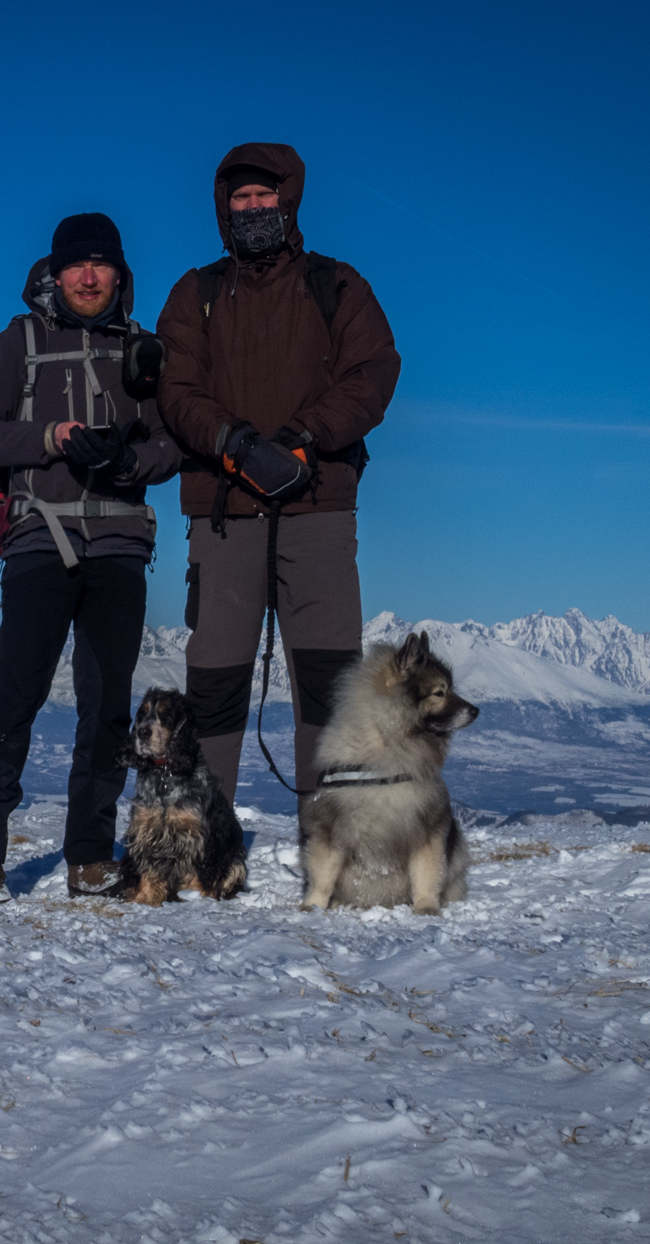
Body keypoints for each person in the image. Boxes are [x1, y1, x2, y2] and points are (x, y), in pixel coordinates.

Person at [154, 144, 401, 807]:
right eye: (241, 198)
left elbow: (373, 375)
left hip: (316, 505)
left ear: (289, 201)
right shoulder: (195, 294)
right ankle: (199, 831)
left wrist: (303, 439)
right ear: (222, 207)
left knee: (330, 677)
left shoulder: (337, 285)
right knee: (214, 676)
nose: (254, 207)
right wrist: (232, 444)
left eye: (266, 196)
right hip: (223, 510)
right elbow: (173, 389)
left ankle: (340, 836)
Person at [0, 213, 182, 899]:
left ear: (119, 275)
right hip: (38, 538)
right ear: (53, 274)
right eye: (75, 266)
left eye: (100, 265)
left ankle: (89, 855)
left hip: (118, 541)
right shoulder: (19, 341)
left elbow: (171, 446)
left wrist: (126, 457)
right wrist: (51, 437)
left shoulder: (143, 349)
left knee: (108, 706)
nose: (87, 277)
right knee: (15, 698)